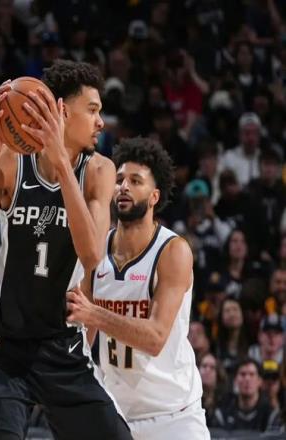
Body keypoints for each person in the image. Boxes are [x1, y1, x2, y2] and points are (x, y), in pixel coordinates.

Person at [0, 59, 131, 439]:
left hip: (63, 346)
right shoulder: (13, 163)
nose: (101, 122)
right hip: (7, 350)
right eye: (92, 110)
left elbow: (92, 256)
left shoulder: (98, 171)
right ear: (62, 111)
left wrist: (63, 165)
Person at [66, 137, 209, 439]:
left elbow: (155, 338)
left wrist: (94, 314)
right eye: (119, 180)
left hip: (174, 416)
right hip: (116, 415)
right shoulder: (96, 250)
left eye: (135, 181)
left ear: (154, 196)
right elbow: (81, 337)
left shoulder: (173, 251)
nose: (123, 187)